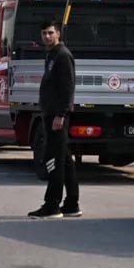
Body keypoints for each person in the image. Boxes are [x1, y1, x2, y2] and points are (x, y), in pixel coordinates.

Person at [29, 20, 80, 219]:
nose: (47, 37)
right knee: (65, 160)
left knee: (54, 161)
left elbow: (68, 88)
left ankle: (52, 205)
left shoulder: (62, 56)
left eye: (50, 33)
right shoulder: (51, 55)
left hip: (57, 117)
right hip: (50, 114)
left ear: (58, 33)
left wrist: (60, 115)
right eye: (44, 33)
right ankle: (72, 204)